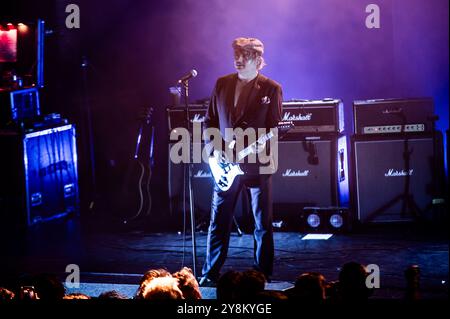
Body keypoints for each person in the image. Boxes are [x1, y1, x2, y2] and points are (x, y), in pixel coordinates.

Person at [199, 37, 283, 286]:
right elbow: (209, 122)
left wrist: (253, 147)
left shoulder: (271, 88)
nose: (238, 59)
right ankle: (210, 272)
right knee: (219, 222)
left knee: (262, 223)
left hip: (258, 163)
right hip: (225, 165)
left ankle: (262, 274)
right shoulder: (222, 83)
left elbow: (275, 128)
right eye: (236, 54)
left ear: (258, 59)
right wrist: (214, 153)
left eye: (244, 55)